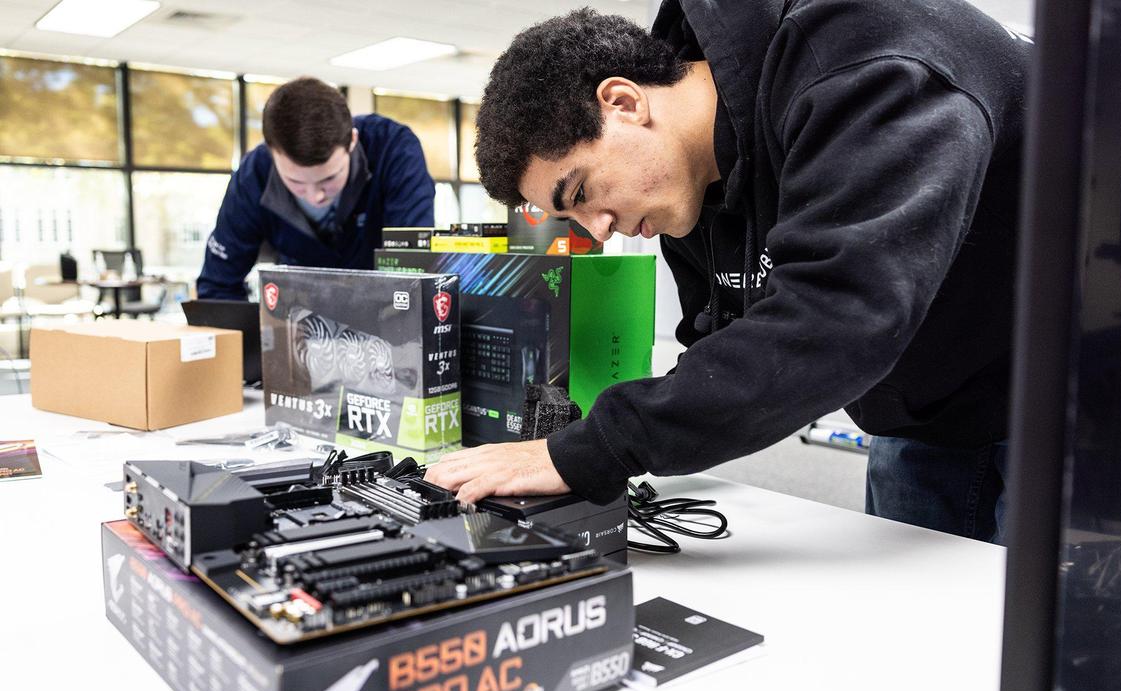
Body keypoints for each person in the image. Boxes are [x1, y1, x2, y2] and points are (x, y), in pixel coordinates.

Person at [425, 0, 1031, 543]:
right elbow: (723, 345)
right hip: (924, 414)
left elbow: (837, 319)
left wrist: (592, 450)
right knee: (927, 634)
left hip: (1076, 404)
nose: (597, 229)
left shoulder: (862, 57)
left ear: (624, 103)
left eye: (581, 191)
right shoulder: (695, 185)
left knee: (1066, 651)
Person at [196, 77, 435, 300]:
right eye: (296, 183)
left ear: (352, 141)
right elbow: (217, 287)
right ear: (271, 153)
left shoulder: (393, 150)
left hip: (388, 316)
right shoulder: (254, 174)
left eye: (329, 178)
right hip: (297, 324)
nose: (315, 196)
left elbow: (414, 273)